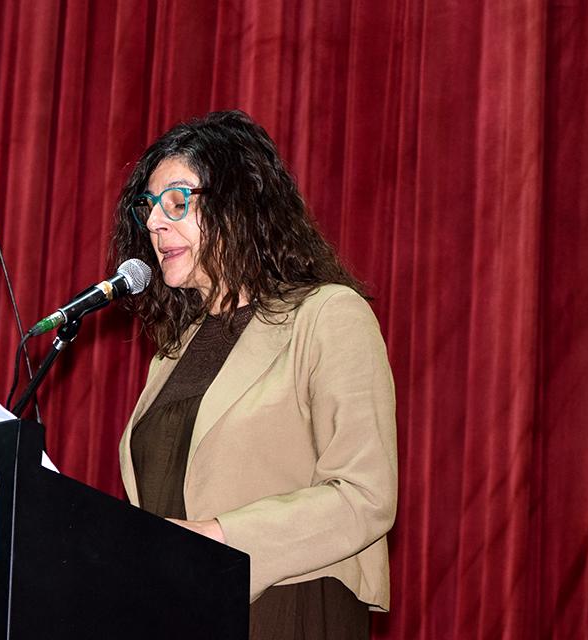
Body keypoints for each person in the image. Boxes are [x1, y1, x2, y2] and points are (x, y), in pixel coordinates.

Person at [109, 111, 398, 639]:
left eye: (177, 201)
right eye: (147, 207)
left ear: (240, 203)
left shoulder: (327, 315)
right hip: (179, 613)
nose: (153, 223)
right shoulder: (171, 355)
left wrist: (218, 539)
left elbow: (365, 495)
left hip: (288, 608)